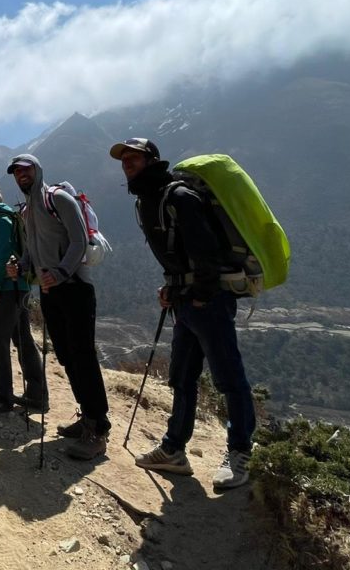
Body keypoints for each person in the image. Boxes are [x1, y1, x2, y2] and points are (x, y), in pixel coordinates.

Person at [111, 137, 256, 490]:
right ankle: (174, 449)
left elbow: (206, 251)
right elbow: (180, 256)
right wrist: (173, 287)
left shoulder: (177, 197)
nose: (127, 163)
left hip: (207, 301)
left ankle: (241, 453)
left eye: (134, 158)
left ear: (152, 161)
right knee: (181, 376)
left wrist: (201, 294)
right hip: (186, 300)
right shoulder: (151, 200)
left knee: (228, 378)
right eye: (124, 159)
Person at [5, 153, 112, 460]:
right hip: (51, 291)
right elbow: (32, 252)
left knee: (83, 356)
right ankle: (87, 418)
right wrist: (21, 265)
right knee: (67, 356)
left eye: (25, 170)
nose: (21, 175)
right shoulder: (26, 211)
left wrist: (61, 272)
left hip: (75, 287)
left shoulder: (59, 199)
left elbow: (79, 242)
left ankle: (98, 429)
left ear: (37, 170)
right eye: (16, 172)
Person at [0, 183, 47, 415]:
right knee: (22, 338)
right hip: (20, 285)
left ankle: (2, 396)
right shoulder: (7, 217)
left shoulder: (0, 220)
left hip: (7, 287)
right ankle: (37, 395)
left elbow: (2, 256)